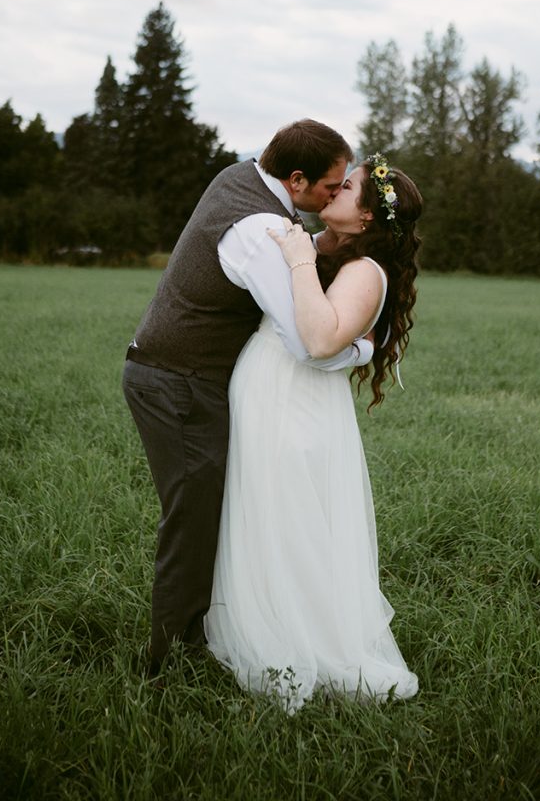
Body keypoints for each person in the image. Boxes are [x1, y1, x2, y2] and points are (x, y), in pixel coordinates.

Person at [122, 119, 375, 674]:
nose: (335, 195)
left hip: (180, 375)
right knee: (194, 520)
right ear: (299, 178)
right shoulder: (258, 226)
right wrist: (364, 352)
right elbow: (308, 342)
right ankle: (167, 661)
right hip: (177, 381)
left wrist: (319, 245)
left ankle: (203, 633)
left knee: (209, 512)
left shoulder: (240, 179)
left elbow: (288, 259)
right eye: (332, 187)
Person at [204, 153, 423, 711]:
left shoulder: (365, 272)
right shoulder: (326, 247)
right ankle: (266, 620)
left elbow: (323, 340)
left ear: (368, 216)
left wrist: (300, 260)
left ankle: (306, 641)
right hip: (266, 392)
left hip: (296, 404)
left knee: (294, 516)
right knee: (263, 513)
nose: (331, 194)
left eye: (345, 189)